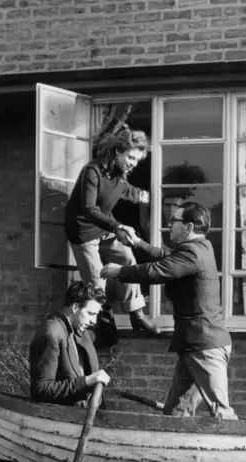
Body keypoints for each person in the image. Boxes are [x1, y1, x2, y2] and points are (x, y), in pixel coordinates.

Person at [100, 201, 237, 419]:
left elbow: (158, 271)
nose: (169, 224)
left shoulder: (192, 254)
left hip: (204, 346)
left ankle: (238, 450)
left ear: (189, 227)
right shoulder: (200, 248)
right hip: (194, 344)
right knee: (176, 412)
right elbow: (165, 257)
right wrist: (136, 242)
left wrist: (120, 271)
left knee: (222, 414)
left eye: (174, 221)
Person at [64, 125, 156, 332]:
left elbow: (124, 190)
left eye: (137, 161)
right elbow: (89, 209)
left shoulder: (120, 174)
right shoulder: (93, 171)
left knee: (127, 259)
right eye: (131, 158)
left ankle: (136, 315)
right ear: (117, 151)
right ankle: (104, 327)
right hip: (83, 231)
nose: (133, 165)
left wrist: (146, 196)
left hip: (104, 228)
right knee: (97, 280)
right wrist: (118, 227)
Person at [29, 281, 111, 406]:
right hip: (60, 420)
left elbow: (110, 337)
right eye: (90, 314)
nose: (94, 321)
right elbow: (41, 390)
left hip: (81, 416)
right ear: (74, 308)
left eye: (96, 315)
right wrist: (87, 381)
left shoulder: (80, 329)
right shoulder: (51, 334)